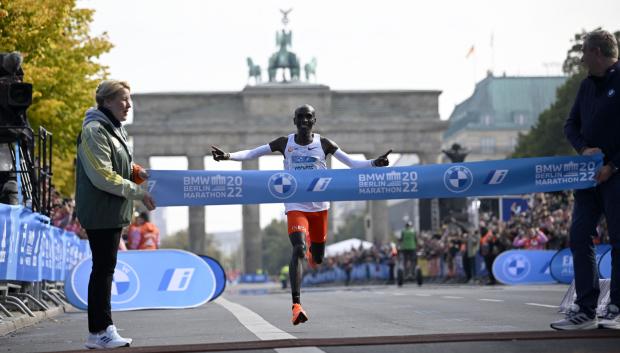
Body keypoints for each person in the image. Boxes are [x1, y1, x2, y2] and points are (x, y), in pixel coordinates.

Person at [211, 104, 391, 325]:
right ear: (294, 121)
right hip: (295, 204)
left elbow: (352, 163)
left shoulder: (324, 144)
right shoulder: (284, 143)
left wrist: (375, 163)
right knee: (298, 247)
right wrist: (228, 156)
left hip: (319, 208)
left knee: (317, 257)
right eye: (300, 118)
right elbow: (252, 153)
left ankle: (310, 253)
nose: (304, 121)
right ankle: (296, 305)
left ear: (314, 121)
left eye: (308, 117)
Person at [75, 80, 156, 348]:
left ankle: (102, 329)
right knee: (102, 271)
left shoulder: (113, 130)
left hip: (110, 210)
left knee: (104, 269)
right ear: (106, 101)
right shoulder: (95, 130)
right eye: (123, 100)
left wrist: (137, 172)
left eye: (129, 99)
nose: (129, 105)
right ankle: (99, 331)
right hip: (101, 210)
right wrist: (138, 191)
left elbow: (119, 165)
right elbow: (102, 174)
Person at [551, 30, 620, 330]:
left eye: (583, 52)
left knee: (619, 239)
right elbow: (570, 124)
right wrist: (583, 148)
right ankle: (586, 307)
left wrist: (613, 165)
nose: (580, 58)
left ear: (596, 52)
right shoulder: (586, 86)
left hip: (616, 175)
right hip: (588, 177)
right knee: (579, 236)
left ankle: (616, 306)